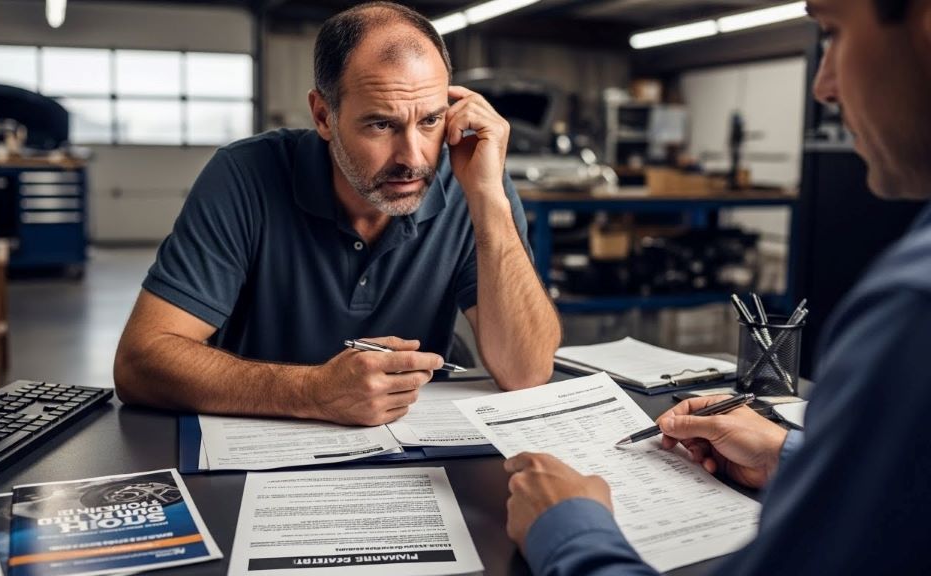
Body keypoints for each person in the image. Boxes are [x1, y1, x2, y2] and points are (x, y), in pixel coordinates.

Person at [503, 0, 931, 573]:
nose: (823, 88)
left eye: (832, 32)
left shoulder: (914, 307)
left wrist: (566, 527)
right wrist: (789, 455)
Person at [113, 2, 561, 426]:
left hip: (414, 444)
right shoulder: (244, 175)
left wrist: (489, 199)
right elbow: (140, 362)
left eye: (429, 121)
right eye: (381, 124)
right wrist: (312, 392)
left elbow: (526, 373)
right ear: (324, 116)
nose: (413, 158)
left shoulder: (473, 176)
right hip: (261, 443)